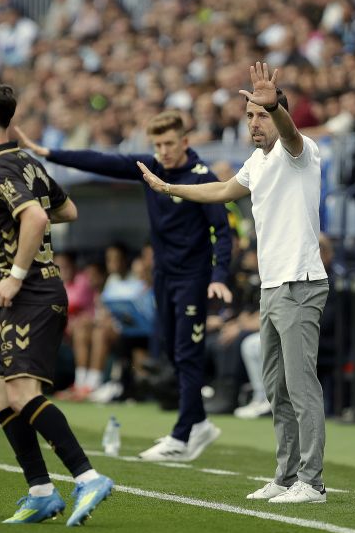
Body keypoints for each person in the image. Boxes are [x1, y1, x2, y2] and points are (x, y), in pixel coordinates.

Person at [138, 63, 329, 504]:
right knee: (276, 390)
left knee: (302, 389)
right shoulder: (257, 163)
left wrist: (275, 106)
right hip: (271, 287)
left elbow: (291, 133)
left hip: (300, 284)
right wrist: (170, 188)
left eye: (261, 115)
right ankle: (285, 476)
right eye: (249, 116)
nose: (254, 123)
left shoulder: (299, 152)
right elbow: (221, 190)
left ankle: (312, 481)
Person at [15, 111, 232, 462]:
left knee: (187, 354)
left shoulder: (202, 177)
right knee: (174, 355)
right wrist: (49, 153)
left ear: (185, 142)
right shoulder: (151, 169)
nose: (163, 151)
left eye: (169, 143)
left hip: (192, 279)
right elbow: (102, 162)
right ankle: (199, 423)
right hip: (162, 277)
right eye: (157, 144)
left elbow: (223, 232)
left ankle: (181, 435)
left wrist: (219, 276)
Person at [0, 81, 112, 526]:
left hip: (33, 292)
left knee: (23, 392)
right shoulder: (22, 159)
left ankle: (87, 477)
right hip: (37, 294)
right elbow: (67, 210)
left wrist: (14, 276)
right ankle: (42, 492)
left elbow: (40, 216)